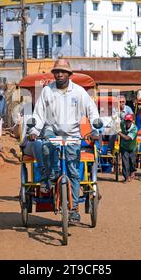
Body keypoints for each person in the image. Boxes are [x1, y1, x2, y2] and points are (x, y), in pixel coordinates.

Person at [29, 58, 100, 222]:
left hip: (73, 134)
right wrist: (34, 130)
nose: (59, 74)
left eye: (63, 72)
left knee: (74, 172)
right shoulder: (47, 91)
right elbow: (39, 114)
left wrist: (94, 128)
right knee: (45, 146)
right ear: (54, 74)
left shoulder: (79, 92)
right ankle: (49, 176)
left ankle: (74, 208)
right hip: (52, 130)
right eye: (57, 72)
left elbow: (92, 110)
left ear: (69, 74)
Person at [118, 114, 138, 183]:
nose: (128, 123)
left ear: (132, 121)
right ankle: (126, 177)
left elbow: (127, 138)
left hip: (132, 148)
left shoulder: (134, 128)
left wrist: (119, 133)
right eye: (127, 121)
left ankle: (132, 171)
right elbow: (117, 122)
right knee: (125, 163)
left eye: (129, 121)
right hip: (124, 147)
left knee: (132, 162)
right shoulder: (122, 123)